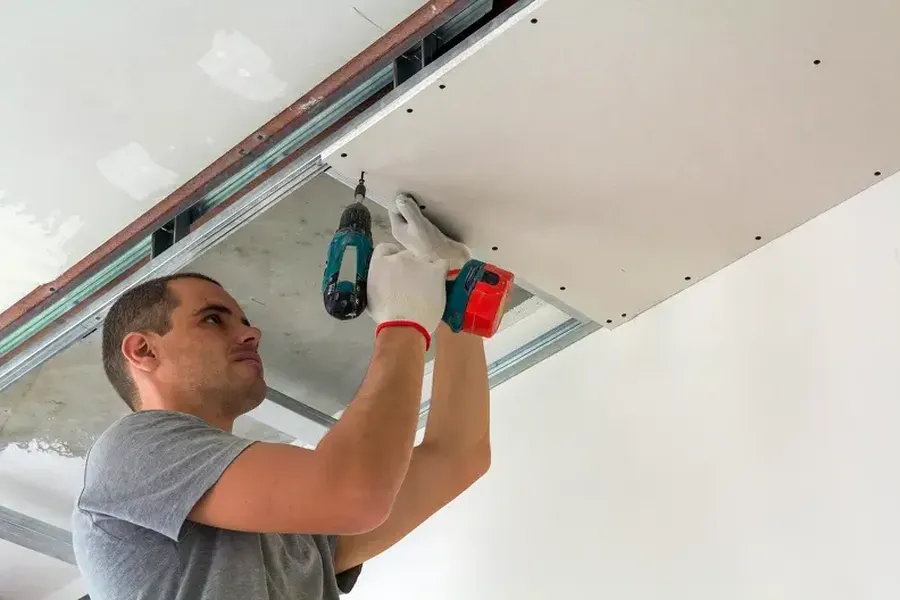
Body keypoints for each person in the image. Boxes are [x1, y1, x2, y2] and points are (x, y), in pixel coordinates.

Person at [72, 196, 491, 599]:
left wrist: (455, 294)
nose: (251, 333)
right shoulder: (132, 451)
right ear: (143, 351)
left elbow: (458, 456)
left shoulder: (292, 527)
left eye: (245, 321)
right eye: (212, 319)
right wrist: (404, 323)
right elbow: (354, 494)